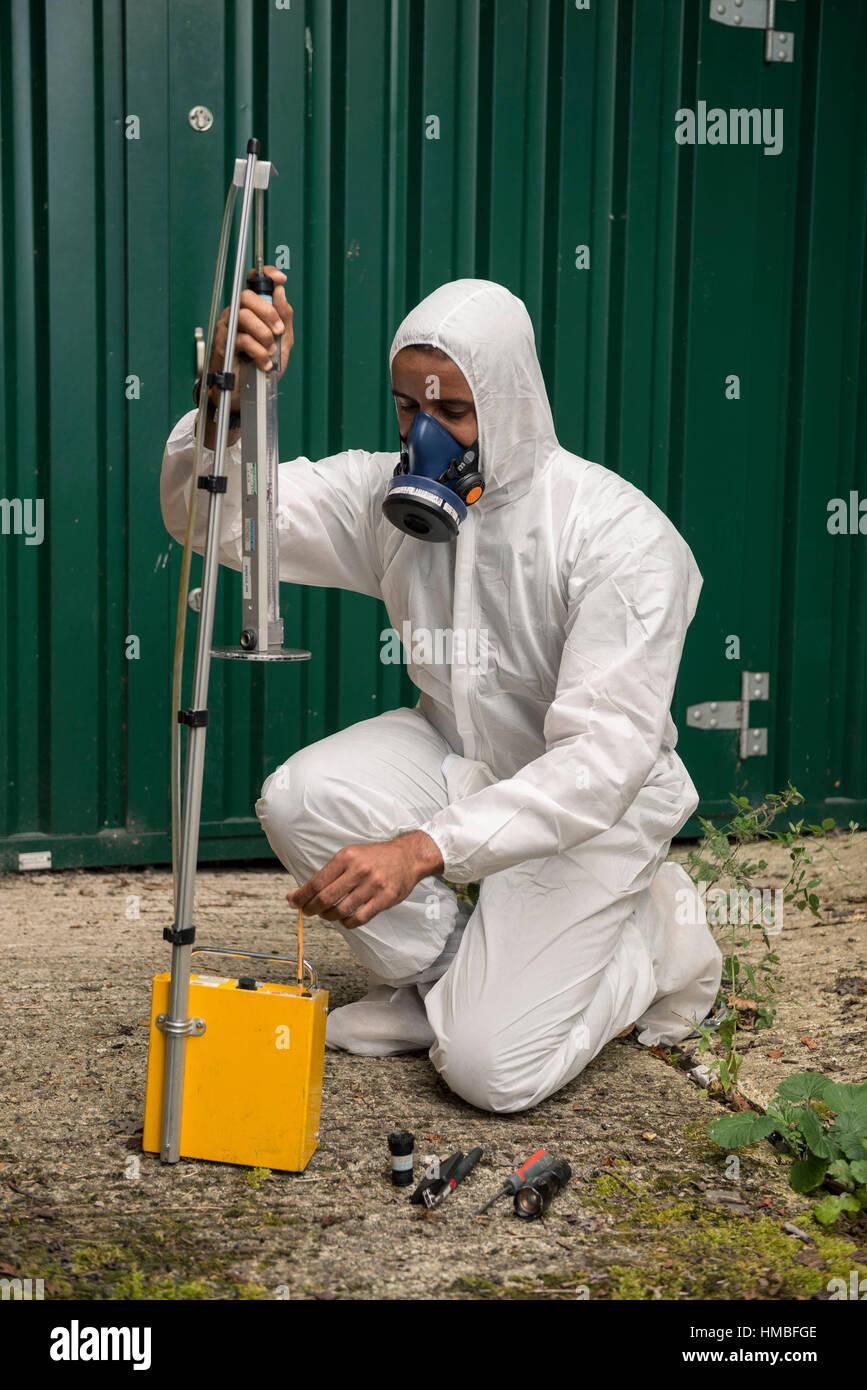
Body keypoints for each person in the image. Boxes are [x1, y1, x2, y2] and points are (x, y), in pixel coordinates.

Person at [160, 272, 722, 1113]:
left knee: (491, 1075)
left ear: (510, 402)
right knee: (300, 799)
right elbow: (218, 521)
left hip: (590, 810)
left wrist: (423, 849)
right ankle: (443, 981)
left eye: (453, 414)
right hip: (459, 757)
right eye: (405, 408)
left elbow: (601, 762)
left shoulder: (618, 539)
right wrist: (227, 406)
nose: (424, 436)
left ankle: (656, 940)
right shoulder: (384, 500)